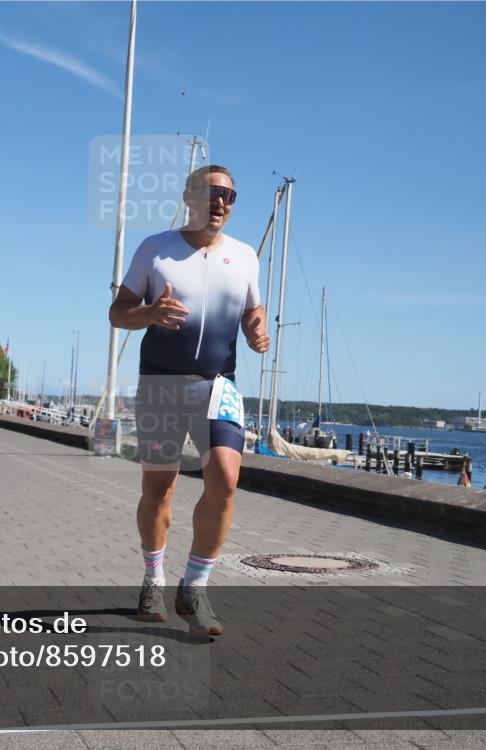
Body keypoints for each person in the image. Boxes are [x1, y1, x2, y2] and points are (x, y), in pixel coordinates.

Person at [108, 165, 270, 637]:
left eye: (231, 195)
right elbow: (117, 313)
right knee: (159, 489)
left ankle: (194, 586)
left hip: (218, 384)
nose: (221, 201)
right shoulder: (154, 249)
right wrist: (150, 312)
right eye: (212, 192)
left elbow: (251, 311)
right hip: (160, 383)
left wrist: (257, 329)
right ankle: (153, 578)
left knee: (224, 476)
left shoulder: (244, 257)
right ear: (189, 196)